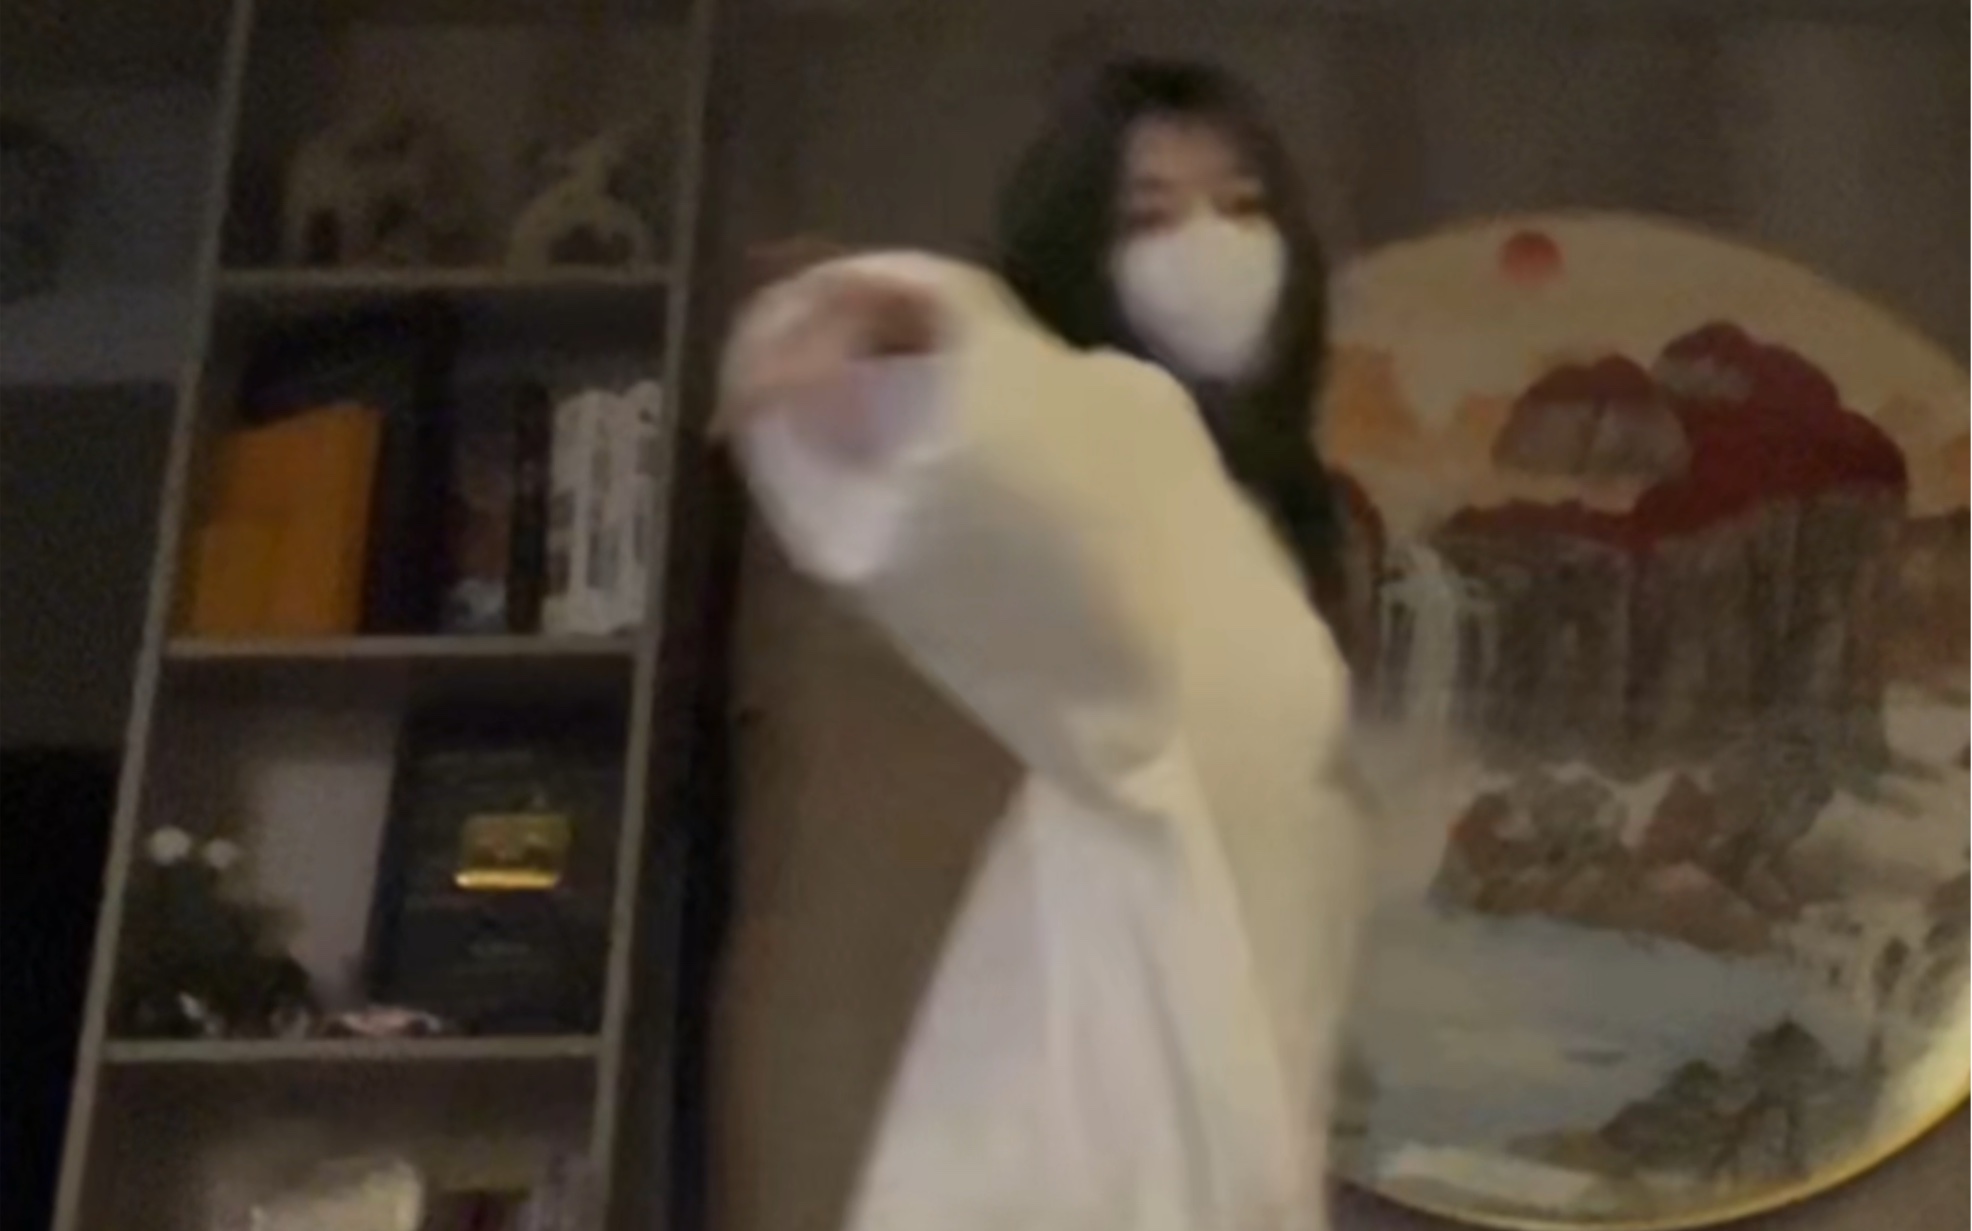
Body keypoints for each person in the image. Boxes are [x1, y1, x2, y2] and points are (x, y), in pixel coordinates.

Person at [719, 58, 1366, 1231]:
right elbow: (1028, 452)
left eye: (1241, 203)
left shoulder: (1258, 522)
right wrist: (908, 333)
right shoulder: (1127, 433)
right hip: (1086, 1131)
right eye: (1151, 215)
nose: (1211, 242)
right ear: (1084, 253)